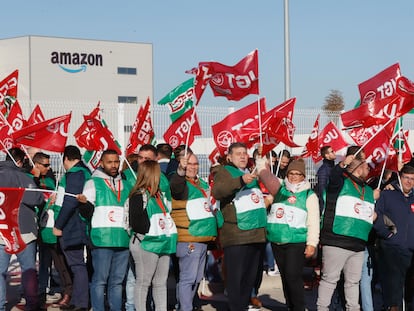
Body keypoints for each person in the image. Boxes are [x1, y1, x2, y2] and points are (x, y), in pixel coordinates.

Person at [316, 146, 379, 311]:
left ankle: (353, 308)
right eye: (366, 167)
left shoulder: (367, 190)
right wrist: (343, 164)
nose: (369, 170)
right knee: (330, 279)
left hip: (358, 243)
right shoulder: (340, 182)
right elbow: (334, 176)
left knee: (353, 282)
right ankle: (322, 308)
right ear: (358, 168)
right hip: (337, 240)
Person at [211, 142, 269, 310]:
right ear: (229, 157)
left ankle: (243, 306)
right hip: (238, 235)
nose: (243, 156)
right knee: (237, 279)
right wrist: (240, 180)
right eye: (238, 153)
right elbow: (218, 191)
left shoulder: (249, 173)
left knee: (249, 279)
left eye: (245, 153)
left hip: (256, 234)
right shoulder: (224, 172)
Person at [257, 157, 320, 311]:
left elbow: (313, 221)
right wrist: (261, 161)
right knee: (285, 277)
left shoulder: (309, 195)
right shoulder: (279, 189)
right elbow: (265, 176)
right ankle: (290, 306)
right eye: (291, 173)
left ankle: (299, 307)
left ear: (303, 176)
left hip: (296, 241)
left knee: (293, 276)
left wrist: (312, 243)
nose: (293, 176)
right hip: (277, 240)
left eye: (297, 174)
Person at [78, 149, 131, 311]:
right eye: (110, 162)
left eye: (116, 162)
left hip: (123, 239)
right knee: (100, 280)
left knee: (117, 282)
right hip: (102, 239)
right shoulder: (93, 182)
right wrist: (83, 204)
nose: (114, 165)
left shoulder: (127, 183)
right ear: (101, 163)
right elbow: (85, 214)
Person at [169, 152, 220, 311]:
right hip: (188, 237)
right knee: (187, 279)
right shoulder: (181, 183)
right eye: (189, 164)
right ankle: (185, 308)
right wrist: (180, 171)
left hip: (203, 238)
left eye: (195, 164)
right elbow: (176, 187)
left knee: (197, 278)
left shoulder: (202, 184)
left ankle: (186, 306)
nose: (193, 167)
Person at [127, 160, 177, 311]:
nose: (160, 175)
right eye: (157, 172)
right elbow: (136, 221)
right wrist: (150, 228)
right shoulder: (138, 194)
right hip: (146, 242)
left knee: (160, 282)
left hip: (161, 241)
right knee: (143, 281)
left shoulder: (158, 195)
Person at [0, 147, 45, 311]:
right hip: (23, 231)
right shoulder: (22, 177)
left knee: (0, 272)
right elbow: (37, 198)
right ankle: (32, 305)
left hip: (2, 231)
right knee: (28, 270)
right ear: (19, 161)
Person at [51, 145, 92, 311]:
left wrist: (58, 225)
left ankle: (81, 303)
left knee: (77, 265)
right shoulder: (83, 172)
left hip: (73, 225)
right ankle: (76, 300)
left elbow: (70, 202)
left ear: (66, 159)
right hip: (77, 224)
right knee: (76, 264)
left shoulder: (75, 174)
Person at [373, 165, 414, 311]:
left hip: (410, 251)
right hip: (391, 248)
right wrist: (390, 232)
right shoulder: (388, 194)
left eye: (412, 179)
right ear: (400, 178)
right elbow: (378, 215)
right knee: (393, 289)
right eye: (406, 178)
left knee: (406, 290)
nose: (409, 182)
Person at [316, 145, 336, 213]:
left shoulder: (332, 168)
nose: (334, 153)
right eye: (332, 152)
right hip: (327, 206)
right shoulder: (324, 170)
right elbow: (322, 190)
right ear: (327, 155)